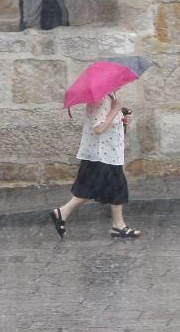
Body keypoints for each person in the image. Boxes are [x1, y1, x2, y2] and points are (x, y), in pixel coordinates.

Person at [49, 93, 140, 240]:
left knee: (112, 187)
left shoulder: (110, 96)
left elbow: (109, 122)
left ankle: (118, 225)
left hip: (109, 153)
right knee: (94, 189)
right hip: (100, 154)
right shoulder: (100, 99)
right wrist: (115, 109)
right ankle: (62, 212)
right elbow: (98, 128)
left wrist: (122, 120)